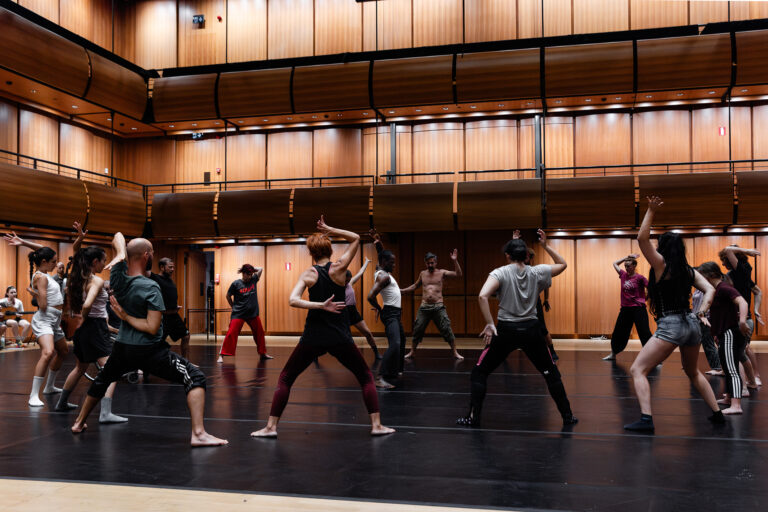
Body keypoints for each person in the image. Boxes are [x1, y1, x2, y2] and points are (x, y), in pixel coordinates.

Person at [70, 232, 227, 447]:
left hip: (123, 347)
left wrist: (120, 255)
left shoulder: (117, 277)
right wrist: (125, 316)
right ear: (146, 255)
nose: (153, 255)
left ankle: (79, 423)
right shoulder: (151, 287)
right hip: (149, 350)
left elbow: (117, 235)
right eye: (152, 252)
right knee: (195, 376)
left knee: (103, 379)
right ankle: (199, 434)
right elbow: (152, 328)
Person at [251, 216, 394, 438]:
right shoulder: (338, 269)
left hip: (313, 336)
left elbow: (292, 300)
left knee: (286, 378)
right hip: (339, 336)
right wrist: (330, 228)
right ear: (330, 250)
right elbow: (356, 238)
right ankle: (376, 425)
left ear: (311, 253)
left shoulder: (309, 273)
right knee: (365, 376)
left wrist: (319, 305)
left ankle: (270, 427)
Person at [457, 229, 577, 427]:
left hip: (506, 331)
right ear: (527, 256)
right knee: (550, 373)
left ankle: (473, 418)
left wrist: (489, 324)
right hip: (531, 330)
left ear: (507, 256)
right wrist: (546, 246)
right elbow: (563, 264)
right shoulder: (537, 271)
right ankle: (567, 416)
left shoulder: (500, 272)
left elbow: (482, 296)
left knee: (479, 373)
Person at [624, 196, 724, 432]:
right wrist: (702, 312)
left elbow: (641, 238)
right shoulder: (688, 271)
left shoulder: (661, 265)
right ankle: (717, 414)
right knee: (692, 371)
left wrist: (650, 210)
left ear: (663, 248)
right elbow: (710, 289)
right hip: (691, 323)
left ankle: (646, 420)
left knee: (638, 369)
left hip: (671, 324)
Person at [55, 243, 127, 423]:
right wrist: (83, 318)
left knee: (80, 367)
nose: (105, 265)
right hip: (93, 327)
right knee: (112, 369)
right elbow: (88, 305)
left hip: (84, 330)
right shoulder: (96, 281)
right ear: (95, 261)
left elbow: (78, 253)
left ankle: (62, 403)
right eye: (103, 261)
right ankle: (105, 413)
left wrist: (79, 240)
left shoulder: (75, 279)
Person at [4, 233, 69, 406]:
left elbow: (41, 251)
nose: (56, 264)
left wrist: (23, 242)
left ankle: (49, 387)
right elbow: (42, 305)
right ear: (44, 262)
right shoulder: (41, 277)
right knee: (48, 352)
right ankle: (33, 395)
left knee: (63, 351)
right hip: (44, 319)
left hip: (54, 319)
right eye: (54, 261)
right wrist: (35, 294)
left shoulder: (44, 272)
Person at [697, 262, 749, 415]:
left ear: (710, 275)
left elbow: (742, 301)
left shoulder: (724, 288)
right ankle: (728, 398)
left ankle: (736, 405)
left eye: (702, 276)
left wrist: (742, 321)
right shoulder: (716, 290)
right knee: (727, 367)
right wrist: (703, 315)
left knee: (731, 368)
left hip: (729, 333)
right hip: (723, 333)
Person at [401, 250, 464, 360]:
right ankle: (412, 352)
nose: (430, 265)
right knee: (418, 329)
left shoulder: (442, 272)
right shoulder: (422, 273)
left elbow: (458, 274)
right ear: (425, 263)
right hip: (424, 307)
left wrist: (455, 261)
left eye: (432, 263)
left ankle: (454, 352)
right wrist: (402, 290)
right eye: (428, 263)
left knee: (446, 328)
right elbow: (415, 286)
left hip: (438, 307)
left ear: (436, 262)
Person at [719, 245, 762, 387]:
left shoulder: (740, 271)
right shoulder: (742, 273)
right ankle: (752, 381)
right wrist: (755, 310)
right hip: (744, 317)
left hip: (740, 319)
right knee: (742, 352)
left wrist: (747, 251)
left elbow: (727, 249)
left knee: (736, 354)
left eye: (724, 260)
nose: (723, 263)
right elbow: (758, 291)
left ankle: (743, 386)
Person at [368, 243, 406, 389]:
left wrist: (378, 243)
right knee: (395, 343)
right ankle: (379, 377)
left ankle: (394, 371)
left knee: (401, 340)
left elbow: (381, 255)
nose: (394, 265)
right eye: (392, 262)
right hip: (390, 313)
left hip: (395, 313)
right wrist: (379, 308)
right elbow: (370, 296)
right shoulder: (384, 277)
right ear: (385, 262)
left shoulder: (381, 270)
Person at [217, 263, 272, 363]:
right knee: (231, 333)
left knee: (259, 333)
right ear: (243, 273)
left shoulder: (253, 280)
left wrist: (251, 269)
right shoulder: (236, 284)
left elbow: (261, 269)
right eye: (247, 274)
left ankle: (263, 353)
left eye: (250, 274)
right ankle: (222, 355)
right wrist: (233, 306)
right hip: (239, 314)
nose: (249, 276)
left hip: (252, 314)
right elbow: (228, 296)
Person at [602, 254, 653, 361]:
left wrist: (646, 298)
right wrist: (626, 258)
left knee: (644, 333)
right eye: (625, 266)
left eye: (628, 265)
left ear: (634, 266)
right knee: (618, 332)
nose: (626, 268)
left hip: (638, 309)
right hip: (625, 309)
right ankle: (613, 354)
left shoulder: (640, 278)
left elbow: (651, 288)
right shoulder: (623, 275)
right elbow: (615, 263)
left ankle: (654, 358)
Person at [148, 258, 191, 360]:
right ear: (162, 267)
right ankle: (143, 365)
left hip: (173, 315)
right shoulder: (155, 278)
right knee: (154, 342)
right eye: (170, 267)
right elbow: (145, 270)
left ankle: (185, 361)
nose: (173, 269)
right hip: (162, 317)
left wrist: (174, 306)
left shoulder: (170, 280)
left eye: (173, 267)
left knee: (186, 336)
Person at [344, 258, 381, 360]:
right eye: (346, 280)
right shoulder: (336, 286)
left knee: (367, 333)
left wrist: (366, 262)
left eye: (349, 280)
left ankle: (377, 353)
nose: (347, 282)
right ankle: (316, 355)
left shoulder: (350, 283)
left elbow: (360, 272)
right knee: (340, 337)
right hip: (343, 313)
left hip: (353, 311)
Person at [693, 289, 723, 375]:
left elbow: (708, 303)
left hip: (705, 318)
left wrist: (704, 315)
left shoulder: (707, 288)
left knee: (708, 344)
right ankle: (690, 364)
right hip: (696, 318)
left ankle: (717, 367)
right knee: (696, 342)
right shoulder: (697, 289)